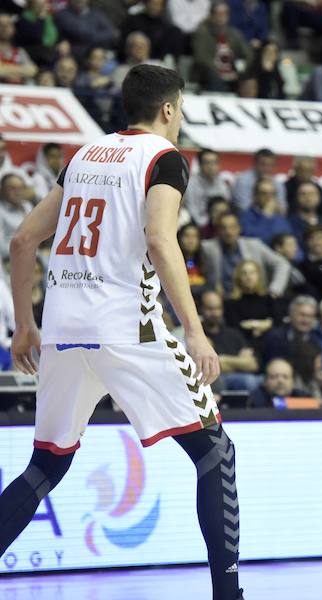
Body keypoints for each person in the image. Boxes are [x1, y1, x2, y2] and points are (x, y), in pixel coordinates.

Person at [5, 65, 243, 600]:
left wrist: (25, 326)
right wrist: (195, 331)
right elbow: (160, 240)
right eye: (181, 109)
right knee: (215, 452)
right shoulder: (164, 158)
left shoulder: (83, 155)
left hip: (62, 329)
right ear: (168, 109)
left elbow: (22, 241)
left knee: (45, 465)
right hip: (126, 328)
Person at [201, 211, 291, 297]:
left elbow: (282, 264)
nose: (228, 232)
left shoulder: (254, 245)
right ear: (217, 231)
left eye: (232, 227)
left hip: (254, 298)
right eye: (223, 228)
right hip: (222, 300)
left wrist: (274, 290)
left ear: (239, 228)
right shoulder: (208, 248)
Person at [199, 289, 259, 391]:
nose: (214, 313)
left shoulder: (233, 334)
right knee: (249, 381)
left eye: (218, 308)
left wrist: (224, 360)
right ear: (201, 309)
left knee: (258, 381)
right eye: (209, 309)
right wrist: (239, 363)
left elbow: (252, 365)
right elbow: (208, 367)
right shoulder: (199, 335)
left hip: (237, 378)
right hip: (212, 380)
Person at [184, 148, 231, 228]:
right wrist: (207, 227)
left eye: (215, 162)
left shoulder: (221, 183)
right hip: (199, 226)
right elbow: (193, 212)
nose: (211, 166)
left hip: (220, 226)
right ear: (200, 165)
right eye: (207, 163)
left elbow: (226, 208)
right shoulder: (191, 184)